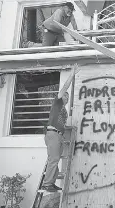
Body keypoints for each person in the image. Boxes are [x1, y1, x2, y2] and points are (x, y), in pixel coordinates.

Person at [41, 64, 79, 192]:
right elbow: (65, 87)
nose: (66, 98)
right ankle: (47, 184)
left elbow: (61, 123)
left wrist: (69, 128)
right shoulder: (57, 102)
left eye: (68, 97)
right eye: (65, 96)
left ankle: (51, 182)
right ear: (61, 96)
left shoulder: (63, 110)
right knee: (54, 159)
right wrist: (72, 74)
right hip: (52, 134)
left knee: (55, 160)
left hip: (58, 135)